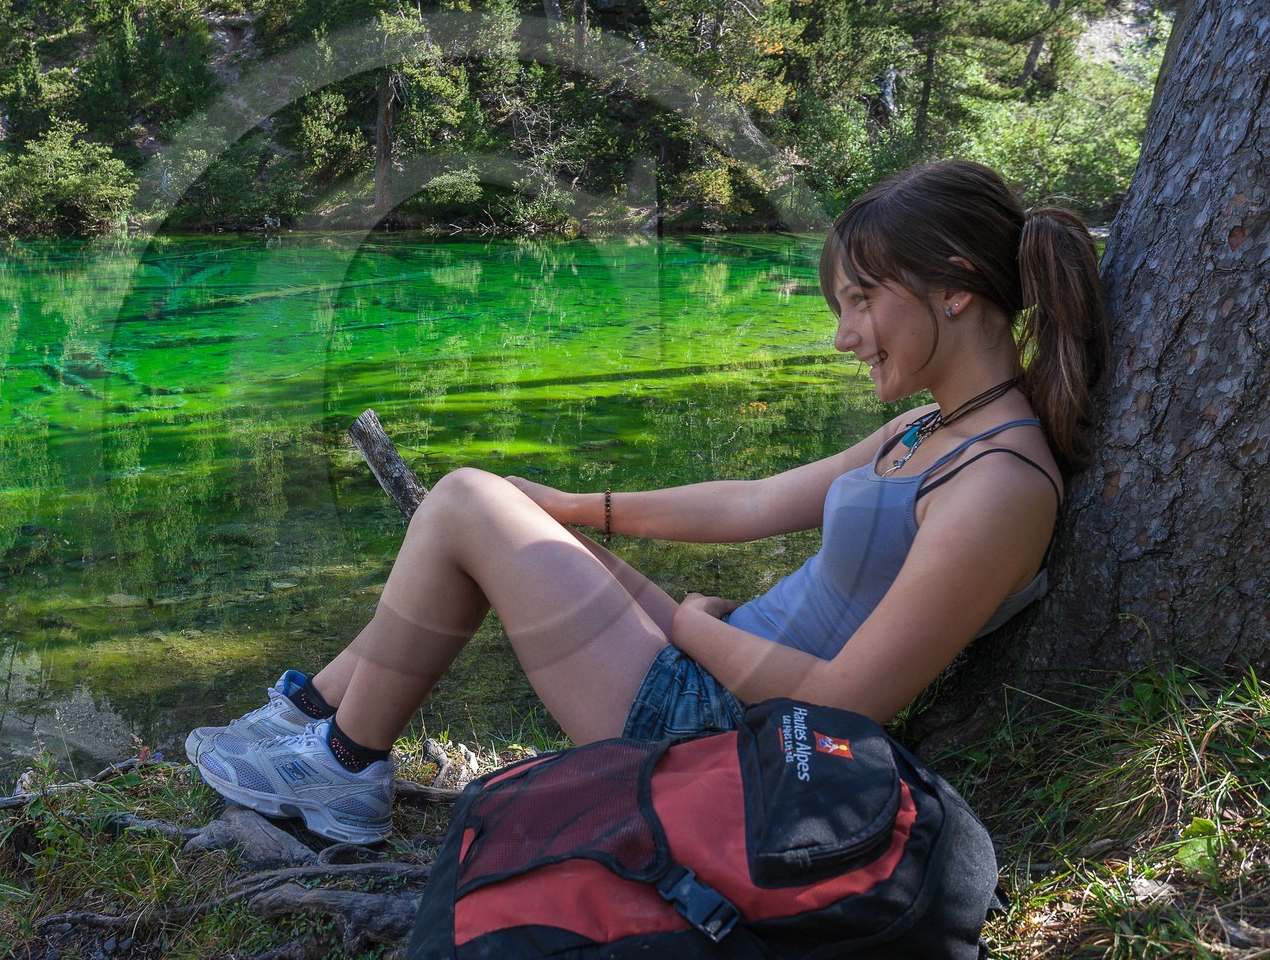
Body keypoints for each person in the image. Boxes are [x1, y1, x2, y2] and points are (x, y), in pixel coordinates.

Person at [185, 159, 1111, 845]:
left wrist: (692, 621)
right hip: (709, 679)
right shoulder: (928, 432)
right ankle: (310, 720)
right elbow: (751, 501)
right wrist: (578, 505)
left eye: (861, 301)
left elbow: (844, 705)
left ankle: (340, 766)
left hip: (729, 740)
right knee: (495, 507)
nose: (843, 337)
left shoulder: (999, 485)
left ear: (952, 287)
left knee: (466, 501)